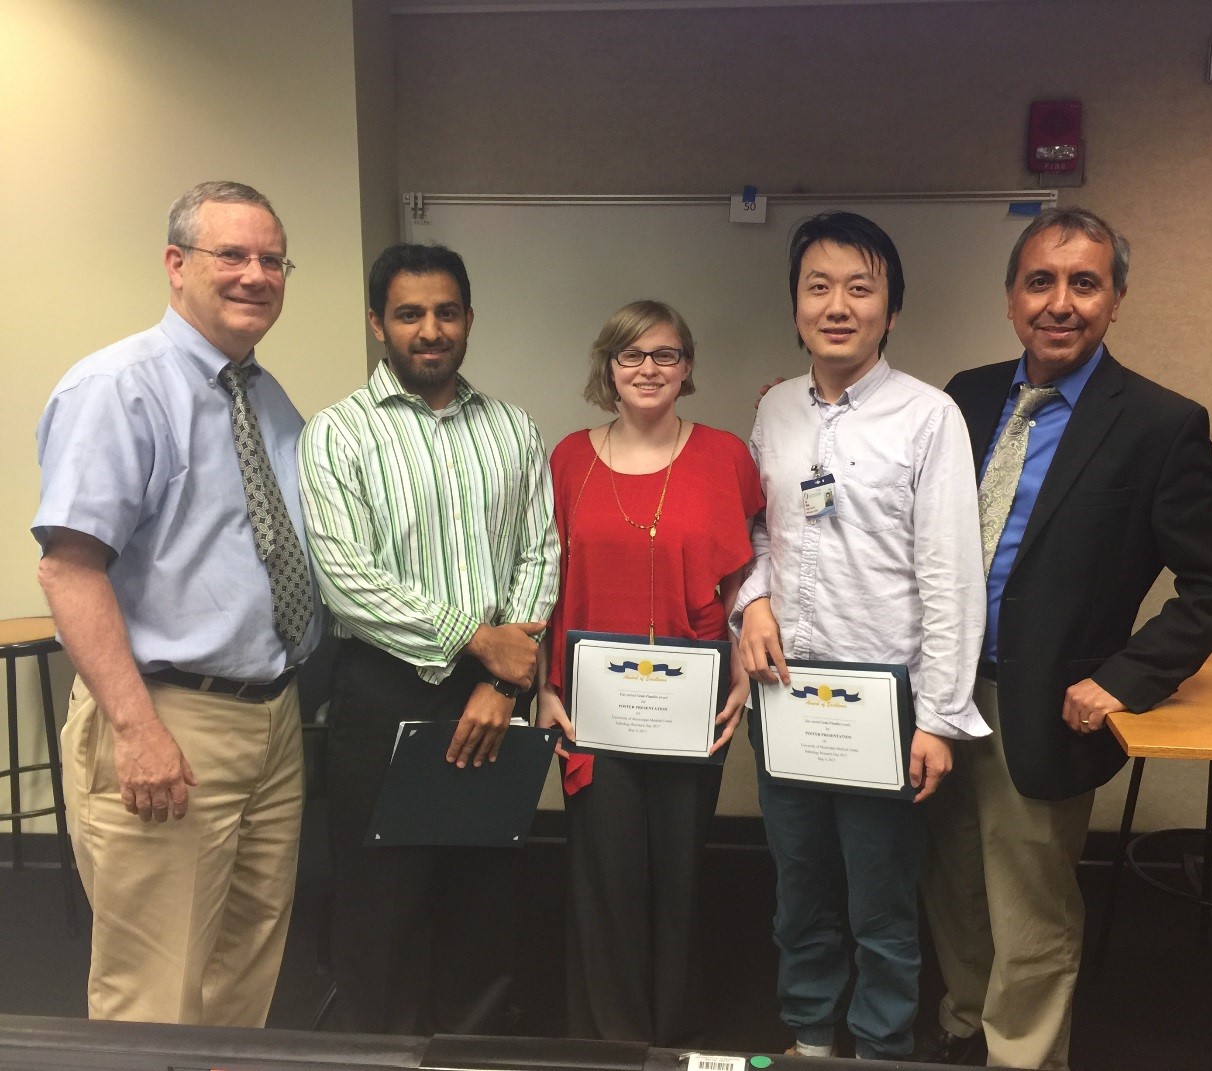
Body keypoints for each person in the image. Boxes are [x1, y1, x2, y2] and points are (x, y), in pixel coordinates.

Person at [920, 207, 1212, 1070]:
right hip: (935, 696)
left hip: (1039, 706)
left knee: (1028, 904)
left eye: (1083, 283)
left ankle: (1020, 1057)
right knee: (949, 881)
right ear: (1009, 298)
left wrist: (1124, 676)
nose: (1059, 302)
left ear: (1114, 300)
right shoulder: (963, 394)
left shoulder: (1157, 423)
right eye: (1040, 281)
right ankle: (961, 1025)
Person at [33, 181, 319, 1025]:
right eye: (231, 254)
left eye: (272, 259)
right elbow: (69, 570)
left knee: (243, 978)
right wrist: (135, 727)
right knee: (152, 992)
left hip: (271, 718)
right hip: (168, 719)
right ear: (176, 264)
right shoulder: (118, 388)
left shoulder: (266, 399)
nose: (256, 275)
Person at [736, 212, 987, 1060]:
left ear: (889, 307)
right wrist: (753, 604)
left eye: (859, 286)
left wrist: (938, 718)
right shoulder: (773, 409)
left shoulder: (928, 417)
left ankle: (881, 1043)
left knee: (881, 896)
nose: (836, 305)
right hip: (786, 690)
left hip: (886, 695)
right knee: (799, 886)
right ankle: (809, 1032)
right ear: (795, 304)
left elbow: (952, 574)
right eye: (817, 286)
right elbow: (760, 532)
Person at [298, 242, 559, 1034]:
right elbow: (347, 577)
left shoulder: (513, 427)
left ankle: (472, 1051)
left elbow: (539, 550)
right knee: (382, 903)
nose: (430, 328)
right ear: (379, 323)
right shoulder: (338, 434)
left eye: (446, 311)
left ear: (469, 319)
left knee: (481, 895)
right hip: (381, 693)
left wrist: (503, 680)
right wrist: (480, 642)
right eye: (409, 313)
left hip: (492, 696)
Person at [536, 300, 764, 1044]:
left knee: (679, 881)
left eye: (665, 355)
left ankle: (672, 1041)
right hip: (591, 707)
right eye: (631, 356)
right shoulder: (568, 457)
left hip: (692, 708)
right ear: (608, 368)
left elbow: (751, 572)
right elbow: (540, 580)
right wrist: (541, 684)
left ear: (686, 366)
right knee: (605, 883)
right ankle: (610, 1046)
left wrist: (740, 663)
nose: (648, 369)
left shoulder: (726, 456)